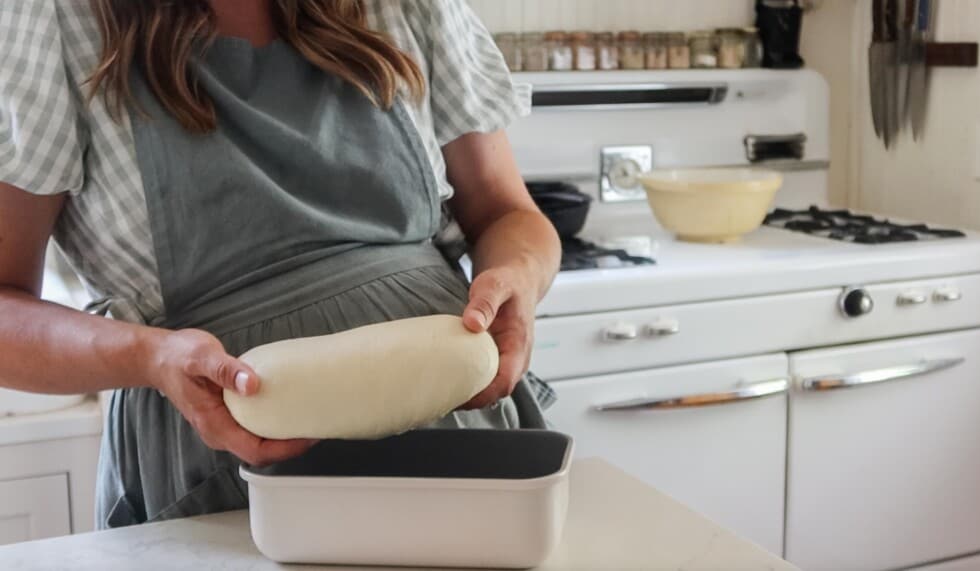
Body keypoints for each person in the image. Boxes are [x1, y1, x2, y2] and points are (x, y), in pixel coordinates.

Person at [0, 0, 560, 528]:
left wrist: (520, 276)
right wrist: (152, 356)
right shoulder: (55, 19)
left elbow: (505, 213)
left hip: (456, 436)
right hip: (225, 468)